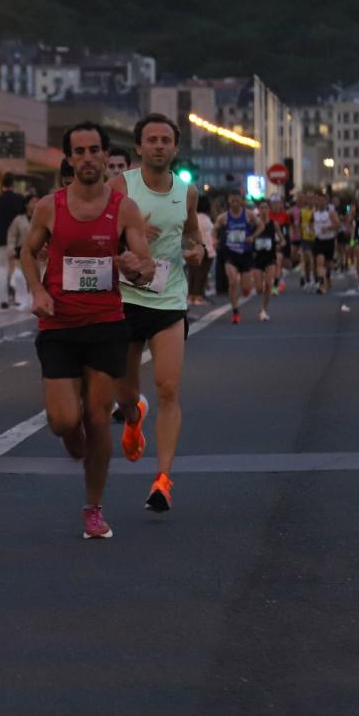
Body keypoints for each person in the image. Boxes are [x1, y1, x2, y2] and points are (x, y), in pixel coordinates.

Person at [22, 121, 153, 538]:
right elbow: (27, 252)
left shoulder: (123, 209)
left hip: (105, 324)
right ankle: (70, 432)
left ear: (104, 155)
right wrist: (37, 289)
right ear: (69, 159)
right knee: (64, 421)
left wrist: (137, 267)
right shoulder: (49, 206)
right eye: (79, 152)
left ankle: (93, 508)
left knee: (98, 418)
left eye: (94, 150)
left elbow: (146, 266)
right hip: (58, 323)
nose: (88, 159)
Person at [110, 113, 205, 513]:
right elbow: (104, 241)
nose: (160, 146)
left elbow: (192, 237)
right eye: (152, 140)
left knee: (169, 387)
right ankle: (133, 416)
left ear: (176, 147)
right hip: (128, 299)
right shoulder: (121, 186)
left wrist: (197, 252)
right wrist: (131, 241)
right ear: (139, 147)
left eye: (166, 140)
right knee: (126, 392)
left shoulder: (187, 192)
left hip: (168, 299)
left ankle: (162, 479)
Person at [215, 190, 256, 323]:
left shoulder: (249, 215)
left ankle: (245, 290)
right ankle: (235, 312)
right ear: (229, 201)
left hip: (245, 253)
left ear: (241, 201)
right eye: (232, 201)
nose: (235, 203)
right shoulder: (223, 217)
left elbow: (260, 225)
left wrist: (252, 237)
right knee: (232, 281)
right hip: (230, 253)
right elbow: (214, 230)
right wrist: (214, 240)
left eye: (237, 200)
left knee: (246, 288)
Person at [0, 172, 24, 307]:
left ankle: (3, 299)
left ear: (2, 184)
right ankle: (16, 297)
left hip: (0, 240)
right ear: (13, 183)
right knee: (17, 270)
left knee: (1, 270)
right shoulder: (20, 200)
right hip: (17, 242)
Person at [188, 195, 215, 305]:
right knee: (201, 275)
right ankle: (198, 297)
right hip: (205, 250)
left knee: (193, 274)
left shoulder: (192, 217)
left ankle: (191, 296)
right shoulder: (206, 219)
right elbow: (208, 237)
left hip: (191, 248)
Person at [312, 197, 338, 294]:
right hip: (319, 240)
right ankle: (321, 285)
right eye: (319, 201)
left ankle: (328, 276)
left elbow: (337, 224)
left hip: (329, 240)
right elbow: (309, 224)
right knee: (320, 262)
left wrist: (329, 228)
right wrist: (310, 230)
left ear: (326, 203)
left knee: (329, 265)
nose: (321, 203)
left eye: (323, 201)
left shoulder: (330, 213)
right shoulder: (314, 213)